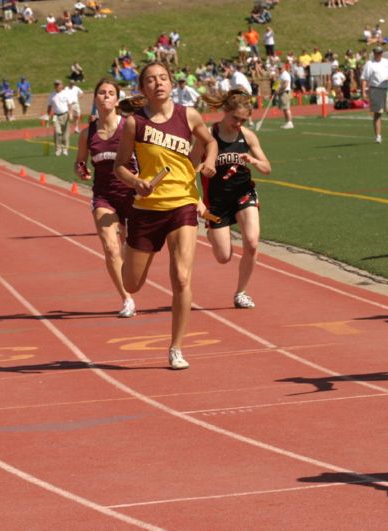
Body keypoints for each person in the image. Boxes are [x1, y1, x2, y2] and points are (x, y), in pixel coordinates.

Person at [113, 62, 217, 370]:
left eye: (163, 78)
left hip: (183, 205)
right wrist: (137, 182)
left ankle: (176, 348)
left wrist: (209, 161)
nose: (158, 83)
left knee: (182, 277)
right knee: (131, 284)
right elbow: (120, 166)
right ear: (143, 89)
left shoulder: (189, 116)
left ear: (172, 83)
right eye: (150, 80)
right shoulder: (135, 123)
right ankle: (126, 244)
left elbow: (209, 141)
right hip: (147, 210)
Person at [199, 89, 271, 309]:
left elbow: (267, 168)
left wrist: (254, 161)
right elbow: (189, 168)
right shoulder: (207, 136)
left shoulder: (247, 136)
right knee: (223, 257)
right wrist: (198, 201)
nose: (238, 124)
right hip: (216, 203)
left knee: (251, 242)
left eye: (243, 120)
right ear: (225, 111)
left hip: (243, 193)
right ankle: (212, 231)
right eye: (235, 119)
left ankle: (241, 292)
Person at [74, 78, 139, 319]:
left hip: (131, 195)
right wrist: (80, 169)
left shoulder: (129, 127)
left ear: (117, 99)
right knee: (111, 249)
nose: (106, 97)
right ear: (95, 99)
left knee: (132, 249)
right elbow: (79, 161)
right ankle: (126, 298)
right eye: (101, 93)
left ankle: (130, 275)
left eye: (110, 93)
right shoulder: (87, 133)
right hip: (104, 197)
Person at [360, 46, 388, 143]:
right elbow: (364, 78)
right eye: (377, 52)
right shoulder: (369, 64)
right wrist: (363, 91)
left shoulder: (387, 62)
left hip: (387, 88)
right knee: (378, 113)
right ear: (374, 53)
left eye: (380, 52)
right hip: (375, 89)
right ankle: (378, 136)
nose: (379, 54)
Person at [46, 80, 71, 156]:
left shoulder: (65, 93)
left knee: (65, 133)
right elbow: (49, 106)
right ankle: (58, 149)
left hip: (65, 115)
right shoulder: (52, 95)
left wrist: (71, 113)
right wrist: (48, 116)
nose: (57, 86)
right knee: (57, 132)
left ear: (61, 85)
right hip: (56, 116)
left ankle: (65, 149)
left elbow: (69, 105)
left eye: (58, 84)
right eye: (55, 85)